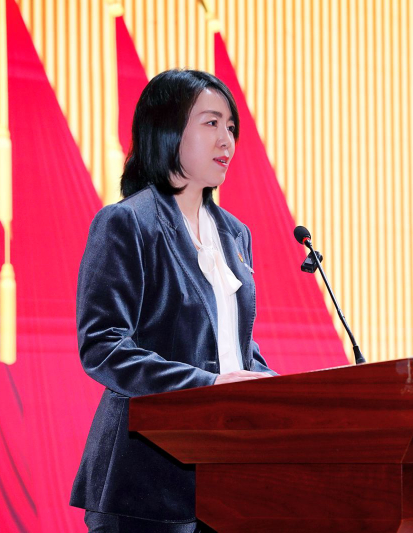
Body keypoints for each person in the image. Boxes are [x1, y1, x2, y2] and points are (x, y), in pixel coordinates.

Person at [70, 69, 274, 532]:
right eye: (211, 122)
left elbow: (233, 346)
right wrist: (208, 386)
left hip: (225, 477)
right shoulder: (127, 223)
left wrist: (272, 391)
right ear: (167, 129)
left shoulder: (235, 234)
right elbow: (103, 346)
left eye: (231, 127)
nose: (227, 140)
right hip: (145, 477)